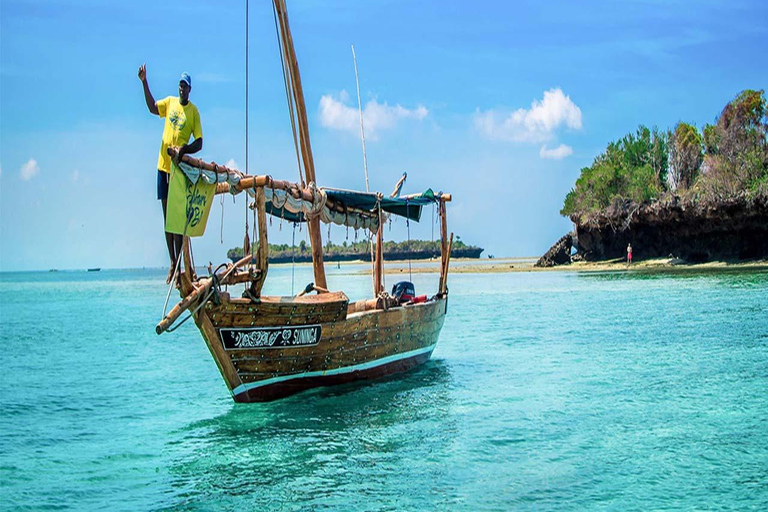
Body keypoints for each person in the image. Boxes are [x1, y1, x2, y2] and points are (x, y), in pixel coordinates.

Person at [138, 64, 203, 283]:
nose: (182, 90)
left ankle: (180, 267)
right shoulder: (170, 102)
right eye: (180, 86)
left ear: (190, 90)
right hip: (163, 167)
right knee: (167, 219)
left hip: (179, 170)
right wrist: (144, 82)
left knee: (177, 219)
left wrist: (183, 150)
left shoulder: (193, 112)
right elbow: (151, 108)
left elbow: (200, 142)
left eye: (186, 87)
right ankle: (173, 263)